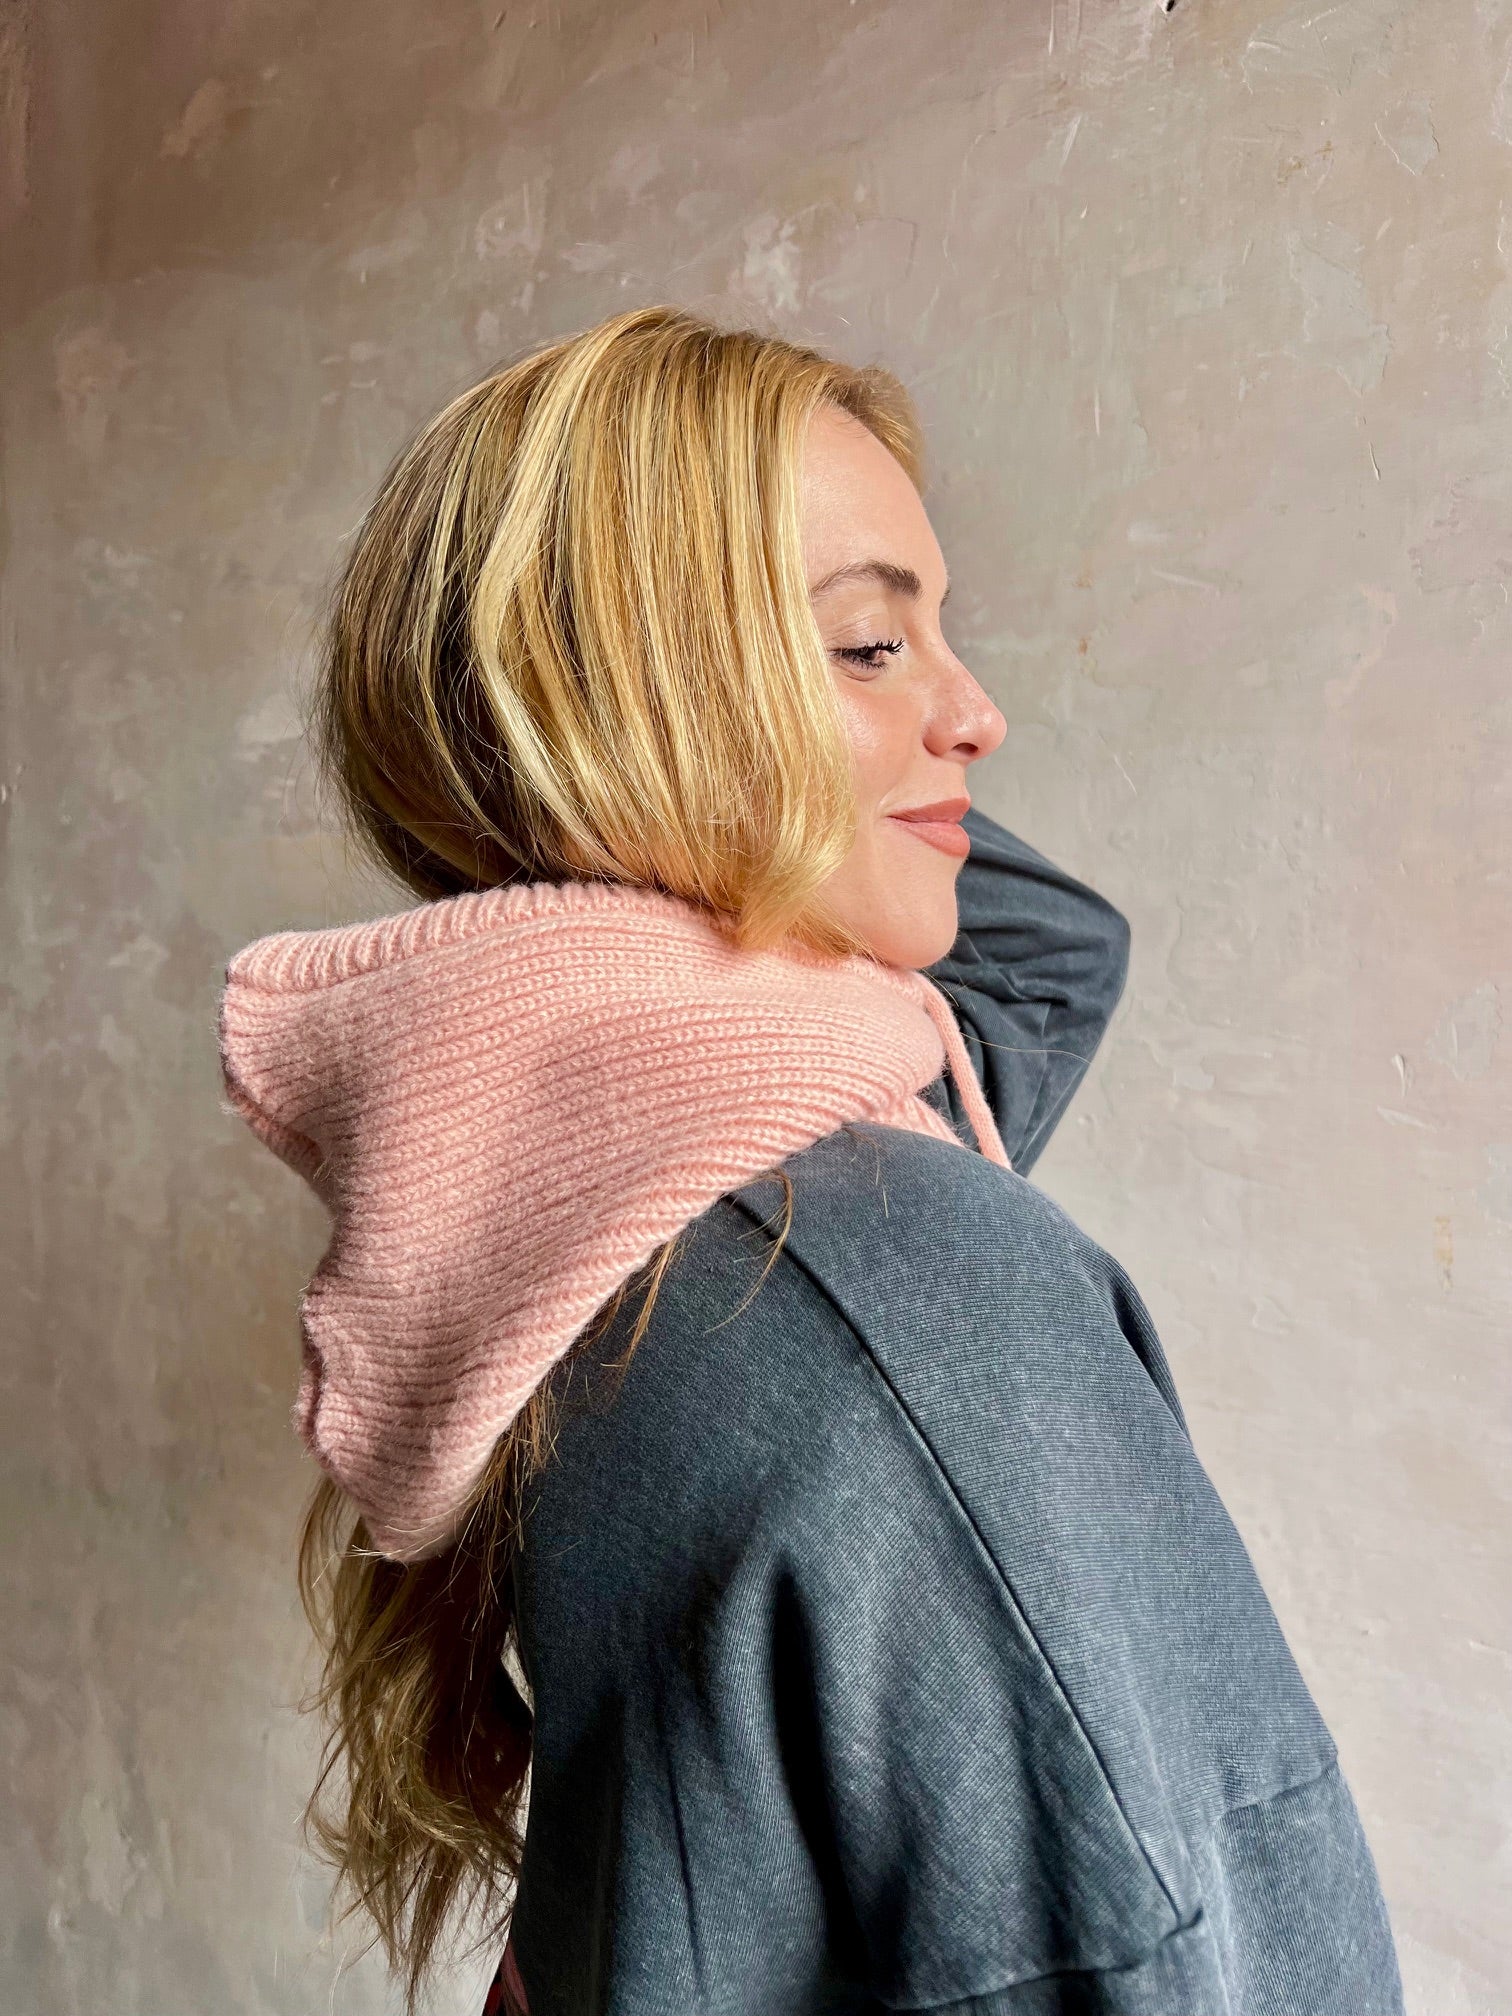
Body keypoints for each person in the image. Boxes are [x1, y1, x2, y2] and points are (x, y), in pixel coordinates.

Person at [217, 305, 1405, 2016]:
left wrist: (744, 774)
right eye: (868, 643)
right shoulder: (899, 1293)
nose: (978, 714)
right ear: (639, 709)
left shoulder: (557, 1207)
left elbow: (1045, 955)